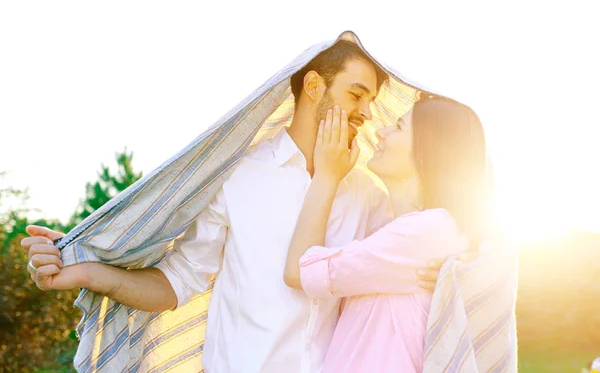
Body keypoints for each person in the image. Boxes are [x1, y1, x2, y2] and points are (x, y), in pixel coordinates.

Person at [21, 40, 447, 373]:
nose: (366, 114)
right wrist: (92, 269)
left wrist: (444, 270)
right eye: (357, 96)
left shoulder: (368, 195)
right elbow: (178, 282)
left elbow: (395, 270)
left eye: (370, 102)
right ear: (314, 86)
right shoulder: (239, 175)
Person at [284, 93, 488, 372]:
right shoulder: (409, 229)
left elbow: (299, 271)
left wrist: (326, 175)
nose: (380, 132)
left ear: (428, 151)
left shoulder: (427, 231)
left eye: (399, 127)